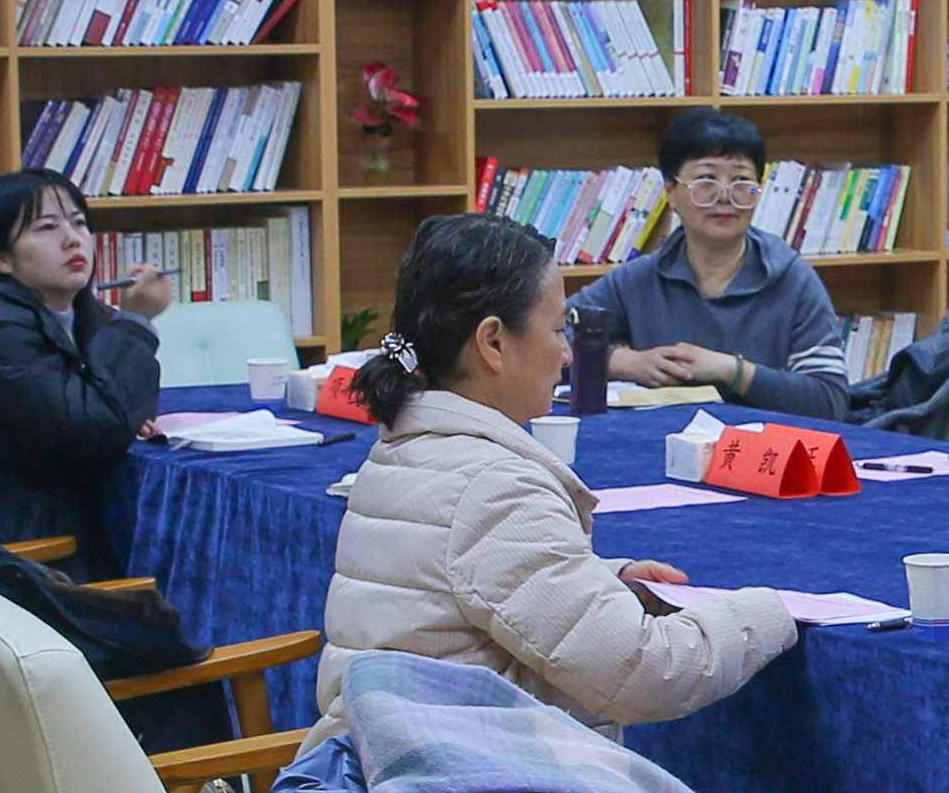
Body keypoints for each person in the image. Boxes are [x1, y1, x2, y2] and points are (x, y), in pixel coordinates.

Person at [325, 209, 797, 731]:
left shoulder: (409, 445)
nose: (568, 355)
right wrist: (771, 610)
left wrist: (600, 582)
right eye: (556, 330)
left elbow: (460, 586)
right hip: (465, 774)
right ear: (493, 343)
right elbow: (646, 673)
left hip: (392, 754)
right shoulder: (495, 487)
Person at [0, 169, 171, 566]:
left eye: (79, 223)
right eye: (46, 227)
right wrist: (137, 322)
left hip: (54, 506)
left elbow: (119, 404)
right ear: (0, 259)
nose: (72, 239)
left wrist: (121, 407)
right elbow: (99, 426)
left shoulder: (84, 313)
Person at [573, 108, 855, 415]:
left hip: (765, 441)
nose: (724, 196)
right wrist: (625, 362)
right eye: (706, 180)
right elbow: (548, 340)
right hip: (660, 438)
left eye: (741, 181)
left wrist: (733, 371)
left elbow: (830, 401)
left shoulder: (793, 279)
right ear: (670, 191)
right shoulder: (638, 280)